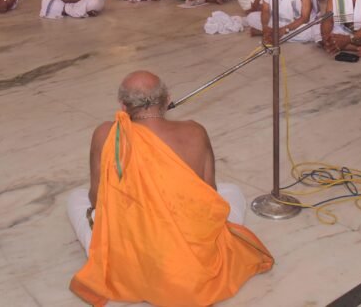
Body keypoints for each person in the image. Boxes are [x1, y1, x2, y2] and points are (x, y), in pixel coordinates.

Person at [68, 71, 273, 306]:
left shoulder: (106, 134)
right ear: (167, 99)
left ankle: (137, 277)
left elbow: (96, 200)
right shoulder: (195, 132)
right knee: (232, 191)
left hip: (130, 263)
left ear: (123, 106)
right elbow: (210, 195)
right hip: (191, 265)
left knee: (76, 198)